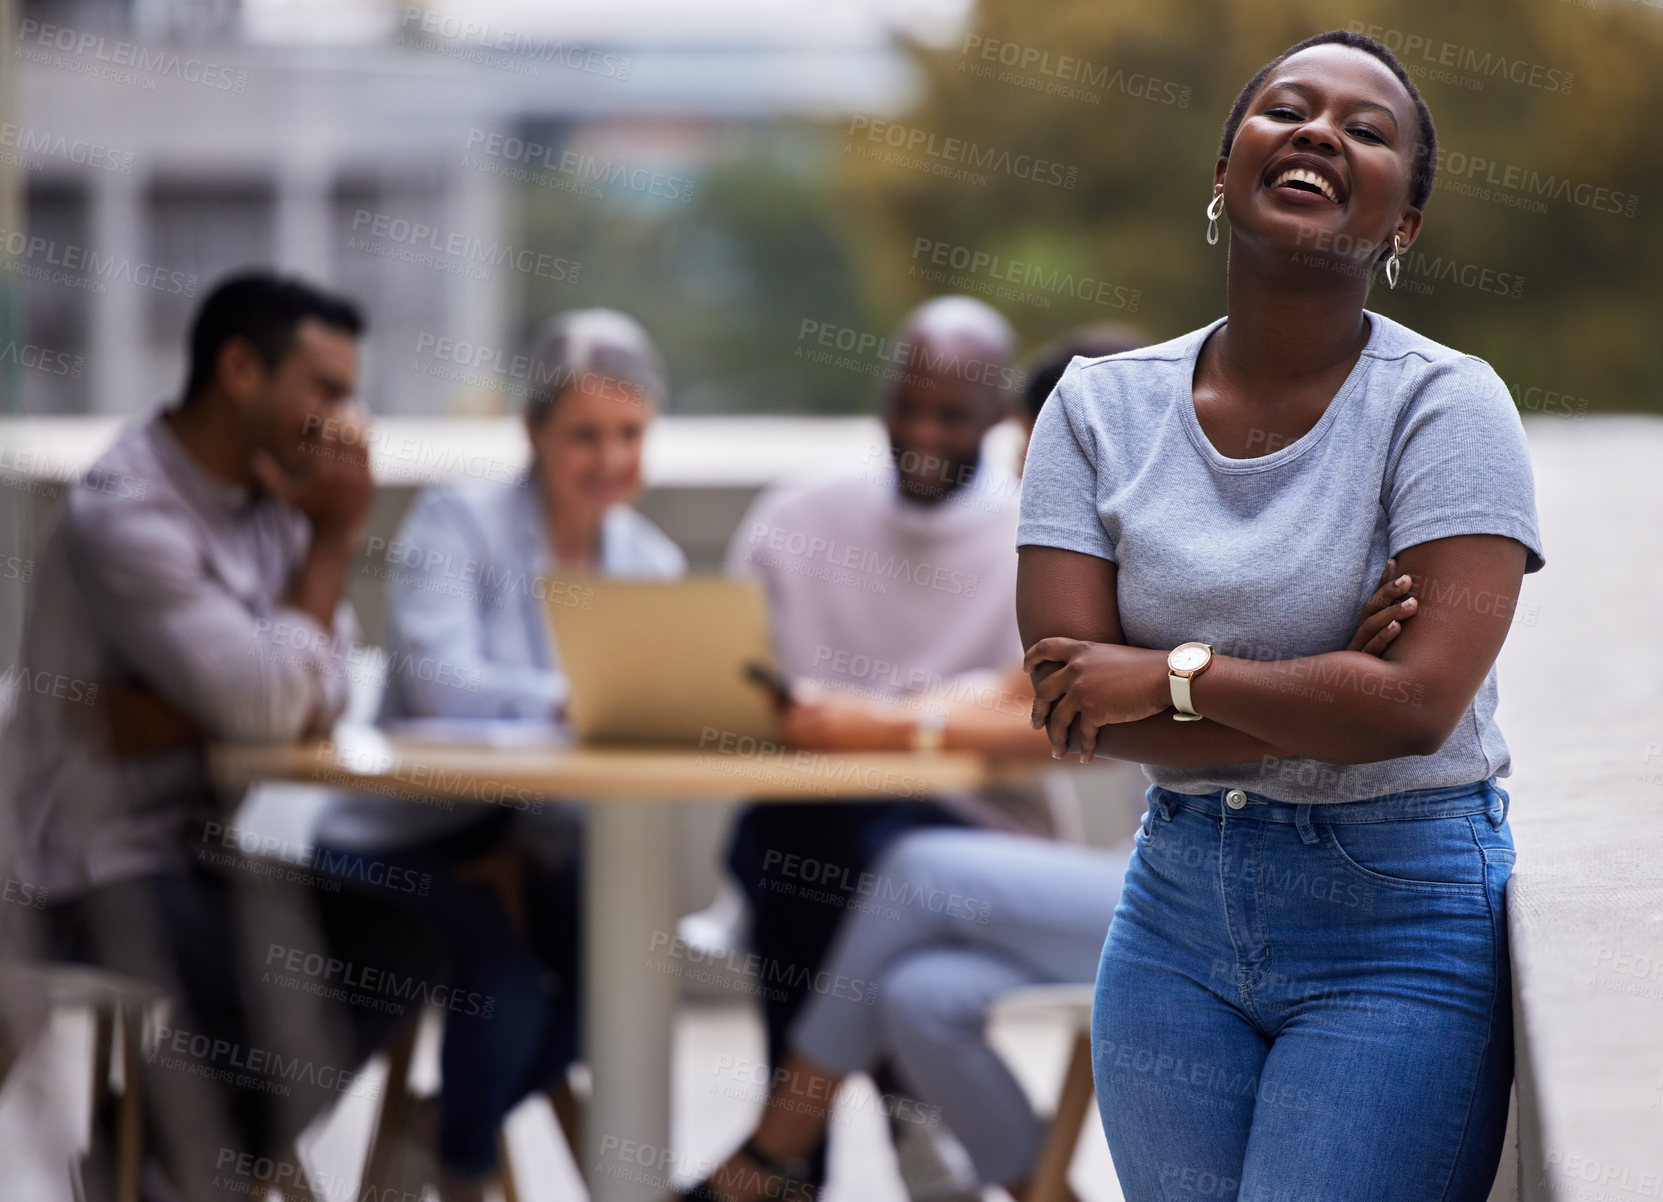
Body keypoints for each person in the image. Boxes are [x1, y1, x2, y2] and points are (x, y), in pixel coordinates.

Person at [1015, 30, 1544, 1200]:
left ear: (1402, 223)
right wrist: (1321, 684)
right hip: (1171, 925)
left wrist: (1164, 673)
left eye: (1365, 130)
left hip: (1396, 921)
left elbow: (1411, 708)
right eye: (1286, 111)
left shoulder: (1448, 408)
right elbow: (1072, 707)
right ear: (1221, 174)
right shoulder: (1097, 410)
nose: (1317, 131)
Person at [682, 562, 1423, 1202]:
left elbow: (1066, 720)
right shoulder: (1112, 573)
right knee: (920, 995)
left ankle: (768, 1154)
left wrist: (885, 727)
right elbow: (1027, 694)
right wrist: (873, 719)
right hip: (1159, 863)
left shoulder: (1171, 556)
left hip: (1225, 888)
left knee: (916, 868)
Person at [0, 272, 377, 1199]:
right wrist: (331, 550)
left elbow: (335, 676)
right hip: (70, 867)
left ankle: (152, 1163)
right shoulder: (125, 512)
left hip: (186, 851)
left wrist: (213, 698)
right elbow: (272, 701)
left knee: (398, 944)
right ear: (240, 370)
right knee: (288, 981)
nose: (346, 421)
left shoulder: (265, 507)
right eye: (326, 389)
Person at [312, 309, 685, 1201]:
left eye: (630, 435)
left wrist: (524, 846)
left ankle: (441, 1136)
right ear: (533, 433)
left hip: (530, 843)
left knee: (628, 970)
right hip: (397, 839)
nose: (609, 460)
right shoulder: (457, 523)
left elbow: (627, 745)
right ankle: (466, 1172)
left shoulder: (651, 564)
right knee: (507, 984)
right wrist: (573, 697)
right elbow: (443, 689)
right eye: (583, 436)